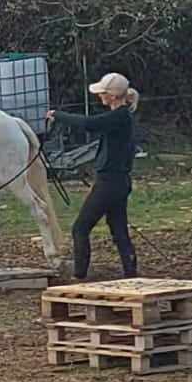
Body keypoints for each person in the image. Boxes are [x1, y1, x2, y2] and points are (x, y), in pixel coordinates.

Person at [45, 72, 139, 280]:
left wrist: (58, 115)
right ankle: (131, 272)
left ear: (112, 96)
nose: (100, 96)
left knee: (80, 228)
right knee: (118, 229)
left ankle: (79, 275)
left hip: (109, 182)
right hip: (118, 181)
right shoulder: (122, 116)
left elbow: (89, 123)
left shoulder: (118, 116)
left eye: (103, 93)